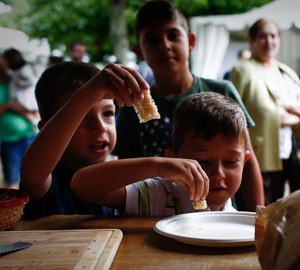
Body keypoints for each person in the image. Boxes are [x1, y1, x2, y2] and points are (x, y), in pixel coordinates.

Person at [114, 0, 264, 211]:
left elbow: (247, 162)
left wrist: (258, 217)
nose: (165, 45)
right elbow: (124, 170)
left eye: (173, 35)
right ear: (139, 51)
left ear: (191, 41)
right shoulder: (132, 105)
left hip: (219, 215)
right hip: (155, 214)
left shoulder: (222, 91)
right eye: (153, 39)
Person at [20, 62, 209, 218]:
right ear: (47, 129)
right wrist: (90, 92)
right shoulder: (47, 178)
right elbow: (32, 173)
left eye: (108, 113)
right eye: (82, 117)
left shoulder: (120, 176)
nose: (101, 127)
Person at [73, 92, 249, 215]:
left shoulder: (229, 211)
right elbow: (82, 185)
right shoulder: (160, 194)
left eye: (231, 162)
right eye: (202, 161)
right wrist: (157, 166)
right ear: (174, 159)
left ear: (244, 161)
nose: (218, 174)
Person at [230, 19, 300, 204]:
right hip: (261, 151)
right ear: (252, 40)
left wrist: (287, 108)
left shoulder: (284, 71)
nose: (269, 41)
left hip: (289, 149)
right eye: (263, 36)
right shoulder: (242, 70)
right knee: (263, 205)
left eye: (273, 36)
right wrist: (283, 113)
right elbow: (233, 110)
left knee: (293, 202)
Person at [0, 51, 36, 189]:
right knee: (11, 183)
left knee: (39, 178)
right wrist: (7, 105)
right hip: (9, 142)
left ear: (5, 62)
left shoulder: (20, 78)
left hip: (32, 135)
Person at [2, 48, 39, 125]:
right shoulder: (16, 70)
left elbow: (32, 81)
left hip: (24, 99)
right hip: (19, 99)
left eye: (5, 61)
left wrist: (20, 83)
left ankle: (36, 123)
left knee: (30, 114)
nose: (4, 63)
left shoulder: (24, 70)